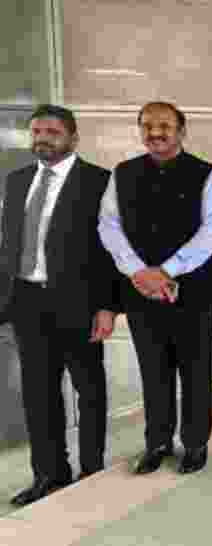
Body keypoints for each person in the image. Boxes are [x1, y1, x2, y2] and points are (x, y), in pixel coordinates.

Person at [1, 105, 121, 505]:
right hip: (28, 302)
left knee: (89, 391)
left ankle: (91, 471)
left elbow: (110, 250)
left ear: (72, 137)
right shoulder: (17, 181)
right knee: (39, 394)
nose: (43, 137)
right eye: (37, 130)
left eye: (52, 131)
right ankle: (49, 475)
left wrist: (107, 307)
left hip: (80, 303)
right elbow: (9, 247)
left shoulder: (99, 181)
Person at [99, 101, 212, 475]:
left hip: (194, 290)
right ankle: (157, 441)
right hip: (140, 290)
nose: (155, 133)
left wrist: (166, 271)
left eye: (164, 126)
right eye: (147, 126)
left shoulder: (209, 174)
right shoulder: (122, 173)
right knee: (153, 369)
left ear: (181, 131)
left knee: (195, 368)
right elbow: (109, 225)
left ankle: (196, 443)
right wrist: (140, 272)